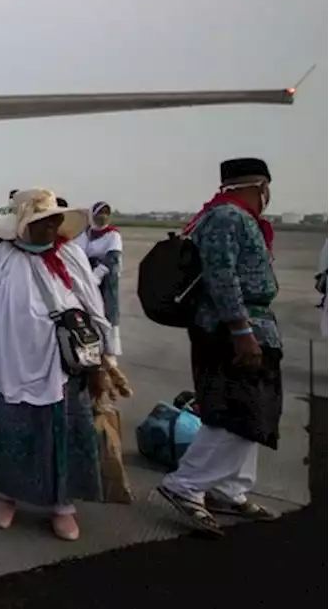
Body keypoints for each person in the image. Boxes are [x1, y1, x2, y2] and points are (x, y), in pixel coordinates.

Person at [0, 189, 114, 541]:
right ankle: (7, 496)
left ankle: (62, 505)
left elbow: (94, 311)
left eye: (54, 221)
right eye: (41, 223)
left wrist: (103, 363)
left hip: (63, 367)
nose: (50, 228)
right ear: (22, 226)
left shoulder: (71, 255)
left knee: (62, 432)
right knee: (14, 432)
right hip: (8, 366)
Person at [158, 158, 283, 533]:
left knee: (253, 415)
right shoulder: (227, 218)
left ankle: (230, 490)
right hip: (230, 330)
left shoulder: (232, 217)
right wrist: (241, 329)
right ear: (260, 185)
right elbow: (221, 276)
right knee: (232, 412)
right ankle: (186, 486)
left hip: (252, 326)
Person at [75, 201, 123, 352]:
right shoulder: (84, 234)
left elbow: (113, 257)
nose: (103, 216)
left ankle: (109, 351)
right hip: (85, 276)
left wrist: (97, 275)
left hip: (104, 280)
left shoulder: (113, 235)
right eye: (100, 213)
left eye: (106, 213)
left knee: (106, 312)